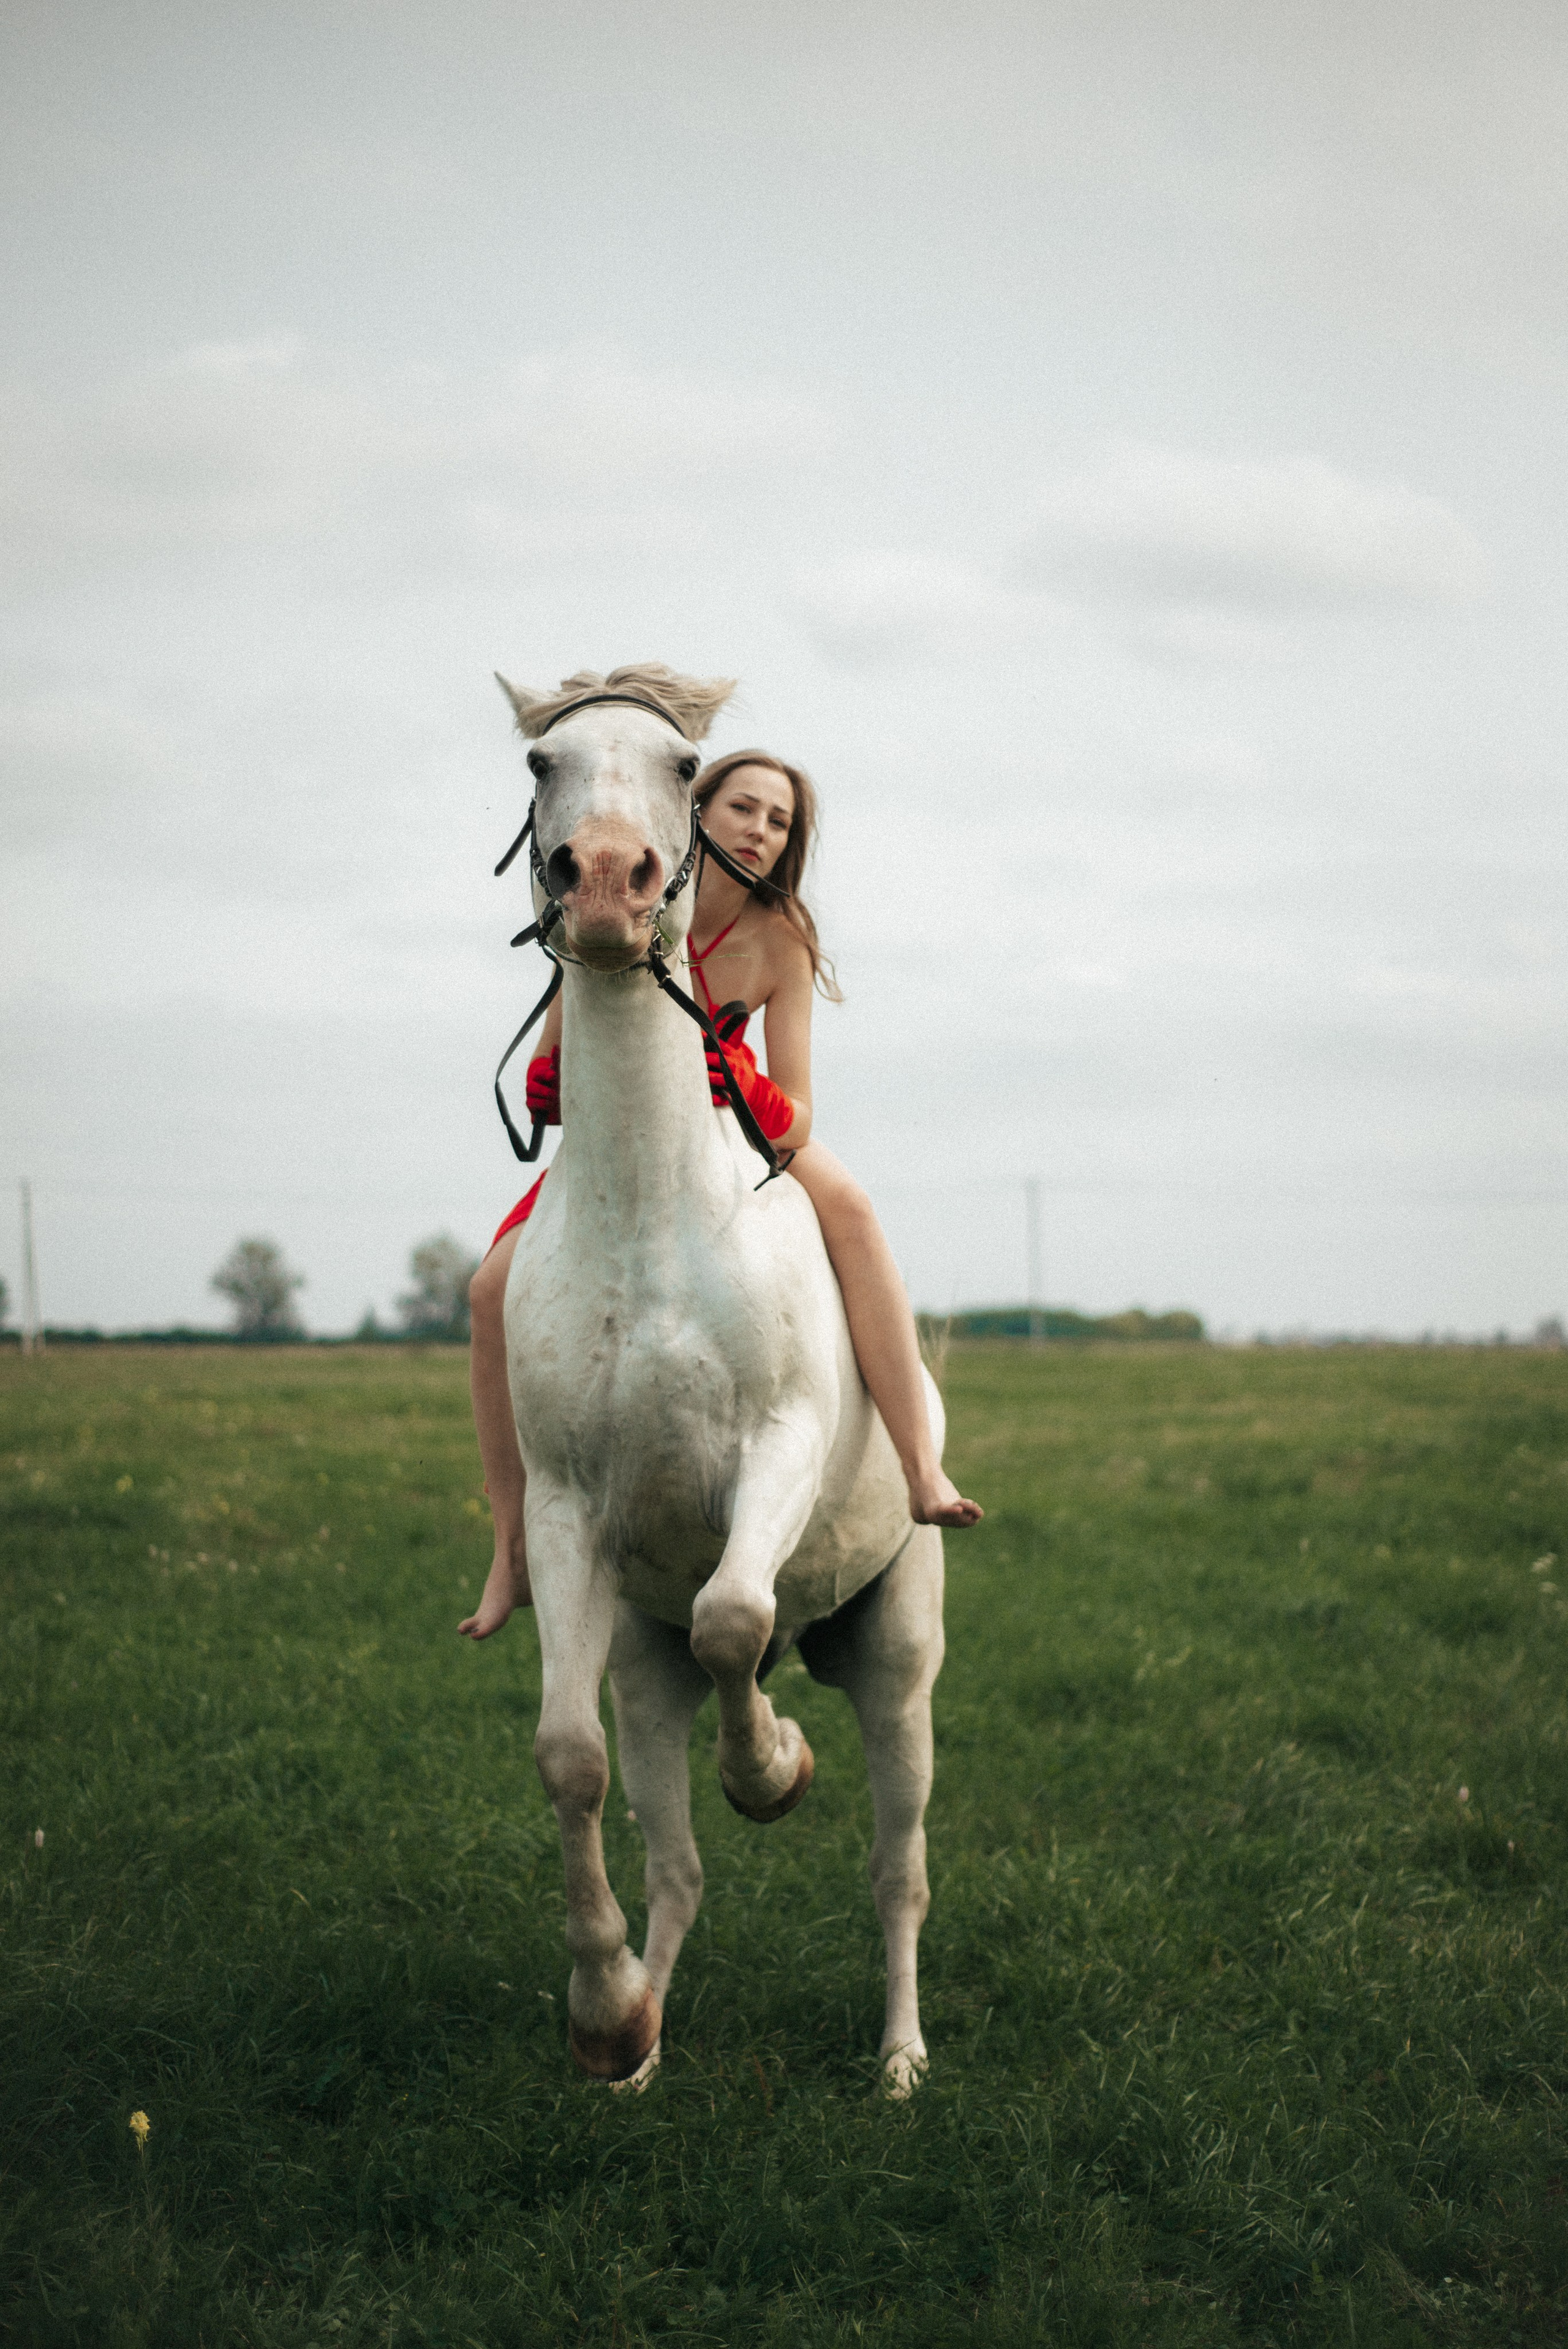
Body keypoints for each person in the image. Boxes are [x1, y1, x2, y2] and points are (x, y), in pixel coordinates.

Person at [460, 747, 981, 1640]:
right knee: (488, 1288)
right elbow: (550, 1079)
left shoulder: (783, 937)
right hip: (623, 1140)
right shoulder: (628, 894)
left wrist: (730, 1072)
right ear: (696, 810)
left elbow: (798, 1118)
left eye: (779, 821)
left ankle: (920, 1466)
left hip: (739, 1127)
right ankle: (511, 1552)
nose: (760, 830)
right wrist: (552, 1077)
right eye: (744, 807)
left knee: (851, 1208)